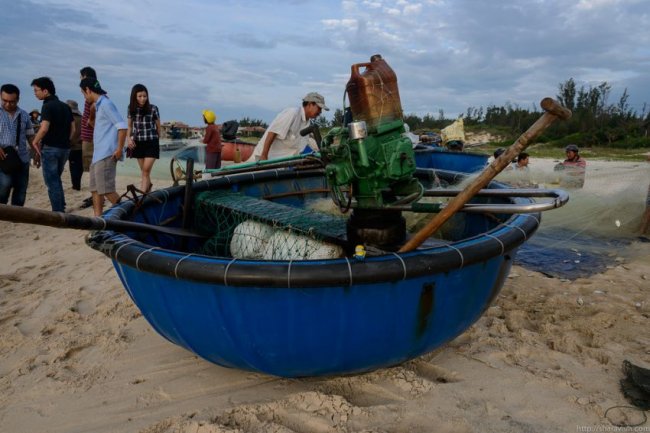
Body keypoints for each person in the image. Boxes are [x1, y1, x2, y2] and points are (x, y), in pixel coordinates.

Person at [79, 77, 127, 216]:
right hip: (97, 155)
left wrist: (119, 149)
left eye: (83, 93)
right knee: (95, 189)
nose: (84, 96)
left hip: (107, 154)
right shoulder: (98, 105)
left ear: (87, 90)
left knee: (107, 189)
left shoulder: (106, 104)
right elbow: (102, 128)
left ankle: (130, 215)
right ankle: (98, 220)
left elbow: (122, 127)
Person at [31, 76, 74, 212]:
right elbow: (73, 129)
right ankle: (61, 205)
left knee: (52, 181)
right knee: (56, 178)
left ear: (45, 91)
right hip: (65, 148)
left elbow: (44, 128)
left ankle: (58, 211)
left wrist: (35, 140)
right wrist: (67, 141)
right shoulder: (65, 106)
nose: (35, 93)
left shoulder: (47, 106)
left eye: (36, 90)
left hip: (51, 148)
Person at [248, 92, 328, 161]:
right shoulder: (292, 114)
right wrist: (264, 155)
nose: (320, 112)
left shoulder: (307, 123)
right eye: (319, 108)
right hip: (265, 160)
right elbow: (272, 132)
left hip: (281, 163)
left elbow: (299, 147)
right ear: (310, 104)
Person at [0, 84, 36, 206]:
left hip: (22, 158)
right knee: (4, 186)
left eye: (12, 102)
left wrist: (37, 151)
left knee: (21, 190)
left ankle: (18, 215)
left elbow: (31, 136)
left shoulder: (24, 115)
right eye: (5, 100)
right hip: (3, 158)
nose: (8, 104)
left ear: (18, 99)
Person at [126, 84, 160, 192]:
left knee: (145, 171)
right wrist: (128, 138)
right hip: (138, 143)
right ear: (134, 97)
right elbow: (130, 126)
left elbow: (158, 126)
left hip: (151, 142)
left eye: (145, 96)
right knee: (144, 172)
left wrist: (157, 141)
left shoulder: (153, 108)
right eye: (140, 96)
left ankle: (141, 196)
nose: (142, 98)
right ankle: (148, 192)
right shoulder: (131, 108)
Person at [79, 67, 97, 172]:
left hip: (90, 135)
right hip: (88, 134)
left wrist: (90, 119)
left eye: (81, 77)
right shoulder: (90, 91)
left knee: (91, 165)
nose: (80, 79)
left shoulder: (92, 92)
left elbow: (94, 105)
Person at [66, 99, 83, 190]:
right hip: (81, 146)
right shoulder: (82, 118)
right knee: (79, 167)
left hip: (71, 146)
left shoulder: (68, 119)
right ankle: (78, 184)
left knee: (73, 167)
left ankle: (75, 186)